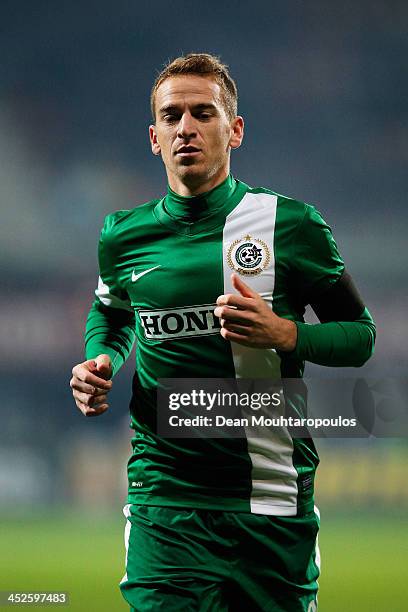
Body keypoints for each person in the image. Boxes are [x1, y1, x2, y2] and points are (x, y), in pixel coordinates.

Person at [70, 53, 375, 611]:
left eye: (203, 113)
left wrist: (287, 335)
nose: (186, 126)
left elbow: (360, 335)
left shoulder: (291, 226)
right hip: (166, 501)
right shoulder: (123, 236)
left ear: (234, 131)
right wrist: (102, 360)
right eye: (171, 116)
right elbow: (111, 313)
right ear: (154, 137)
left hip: (270, 499)